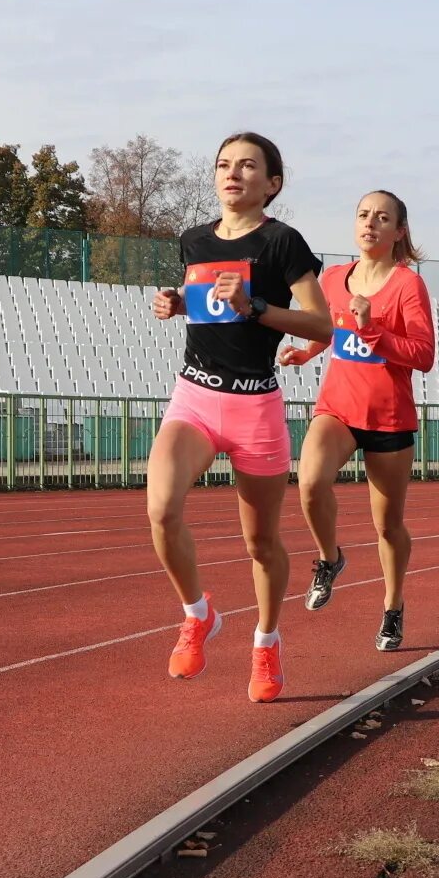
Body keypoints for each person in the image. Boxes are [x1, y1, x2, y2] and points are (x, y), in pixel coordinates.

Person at [149, 132, 331, 703]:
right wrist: (178, 302)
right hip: (195, 397)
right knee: (161, 510)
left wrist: (254, 307)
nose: (233, 173)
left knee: (261, 544)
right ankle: (197, 614)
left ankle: (266, 640)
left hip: (255, 405)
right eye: (224, 164)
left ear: (271, 184)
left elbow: (322, 325)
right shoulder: (194, 240)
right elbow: (203, 300)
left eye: (248, 166)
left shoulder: (283, 242)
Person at [279, 191, 435, 651]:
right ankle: (330, 558)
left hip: (388, 419)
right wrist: (305, 352)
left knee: (387, 526)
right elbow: (327, 331)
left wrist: (373, 329)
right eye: (364, 215)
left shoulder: (408, 285)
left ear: (399, 231)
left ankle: (393, 606)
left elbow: (423, 356)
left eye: (382, 218)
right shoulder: (331, 279)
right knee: (309, 482)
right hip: (338, 408)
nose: (370, 223)